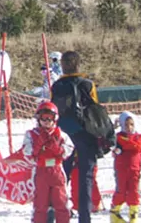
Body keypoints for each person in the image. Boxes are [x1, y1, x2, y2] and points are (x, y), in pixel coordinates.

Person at [51, 51, 100, 223]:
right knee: (86, 178)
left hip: (64, 136)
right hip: (86, 135)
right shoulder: (88, 85)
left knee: (60, 178)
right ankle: (84, 218)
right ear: (79, 64)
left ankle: (58, 214)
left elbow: (54, 112)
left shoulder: (57, 86)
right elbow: (96, 111)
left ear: (62, 66)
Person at [24, 100, 74, 223]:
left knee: (61, 202)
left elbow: (69, 148)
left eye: (49, 118)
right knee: (40, 204)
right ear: (39, 119)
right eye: (44, 118)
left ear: (54, 119)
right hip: (41, 171)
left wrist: (59, 150)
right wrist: (36, 147)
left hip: (56, 171)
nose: (46, 121)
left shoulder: (60, 134)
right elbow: (26, 151)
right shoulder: (32, 134)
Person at [110, 111, 141, 223]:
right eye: (126, 125)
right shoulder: (118, 138)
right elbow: (109, 144)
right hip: (121, 170)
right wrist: (112, 129)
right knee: (121, 191)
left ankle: (133, 216)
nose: (129, 127)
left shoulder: (140, 138)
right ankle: (115, 213)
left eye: (131, 124)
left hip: (135, 170)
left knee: (134, 192)